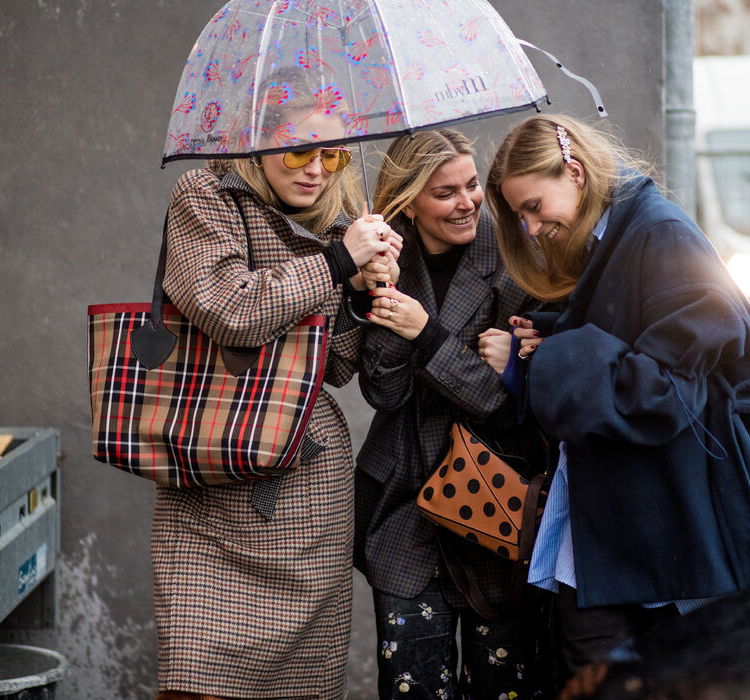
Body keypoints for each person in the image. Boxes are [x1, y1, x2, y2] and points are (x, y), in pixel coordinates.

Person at [483, 114, 750, 685]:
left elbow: (665, 389)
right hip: (639, 528)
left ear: (574, 172)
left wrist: (546, 360)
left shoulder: (661, 234)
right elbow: (635, 334)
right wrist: (552, 336)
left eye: (533, 207)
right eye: (520, 215)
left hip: (691, 520)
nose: (530, 229)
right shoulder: (622, 233)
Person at [150, 70, 400, 700]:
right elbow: (227, 307)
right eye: (299, 150)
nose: (317, 169)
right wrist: (339, 263)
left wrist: (367, 292)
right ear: (256, 139)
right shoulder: (206, 195)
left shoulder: (336, 220)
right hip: (212, 483)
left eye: (333, 153)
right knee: (195, 680)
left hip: (305, 499)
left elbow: (337, 367)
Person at [356, 128, 550, 699]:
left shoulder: (518, 259)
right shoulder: (391, 259)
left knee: (503, 688)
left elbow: (503, 402)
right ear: (408, 201)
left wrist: (427, 333)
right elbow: (383, 393)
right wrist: (382, 289)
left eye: (471, 186)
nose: (466, 203)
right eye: (445, 193)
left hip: (495, 508)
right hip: (404, 515)